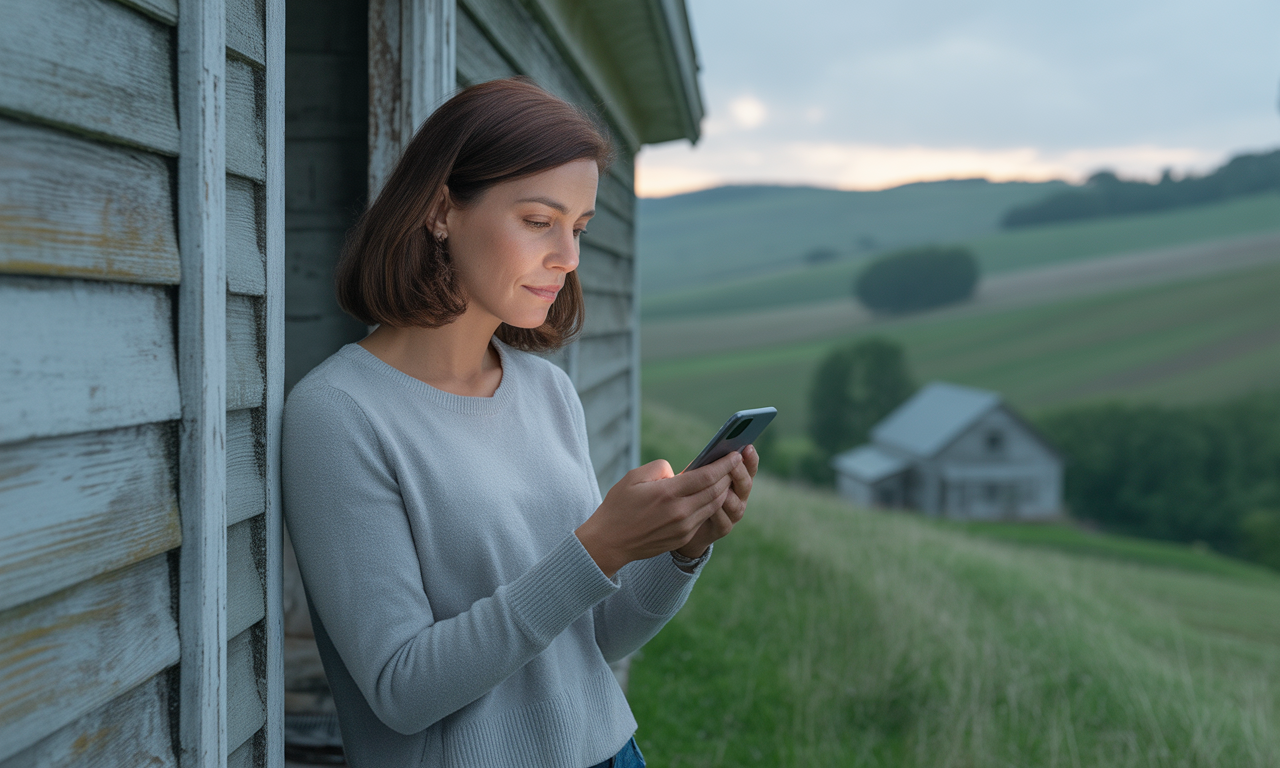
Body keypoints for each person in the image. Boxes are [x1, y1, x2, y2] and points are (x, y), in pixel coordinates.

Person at [282, 78, 759, 768]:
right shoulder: (339, 413)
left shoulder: (547, 391)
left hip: (614, 752)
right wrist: (597, 548)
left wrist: (680, 550)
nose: (568, 257)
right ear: (441, 211)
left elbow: (594, 640)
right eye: (540, 221)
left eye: (579, 228)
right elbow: (400, 690)